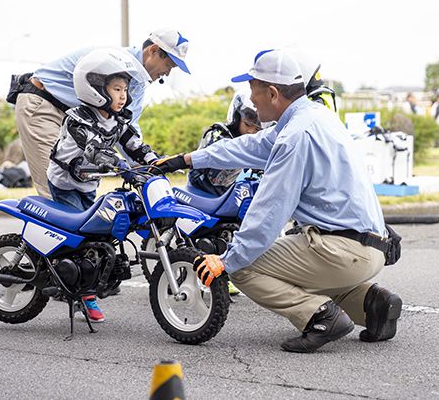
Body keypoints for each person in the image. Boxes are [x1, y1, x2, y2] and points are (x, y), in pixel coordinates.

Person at [152, 49, 402, 353]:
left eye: (253, 89)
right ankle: (372, 305)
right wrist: (185, 160)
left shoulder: (294, 138)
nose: (251, 99)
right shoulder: (313, 116)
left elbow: (268, 213)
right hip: (370, 247)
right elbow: (249, 147)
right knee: (290, 265)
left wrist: (226, 260)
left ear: (272, 93)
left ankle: (319, 318)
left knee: (246, 266)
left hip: (341, 251)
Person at [47, 48, 160, 322]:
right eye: (117, 88)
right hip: (65, 184)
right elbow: (94, 149)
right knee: (82, 239)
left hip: (89, 184)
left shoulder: (117, 121)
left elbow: (135, 146)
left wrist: (158, 162)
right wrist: (122, 166)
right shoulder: (78, 118)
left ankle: (95, 279)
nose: (123, 95)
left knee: (100, 235)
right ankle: (80, 293)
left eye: (125, 89)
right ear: (96, 87)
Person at [9, 28, 190, 199]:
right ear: (153, 50)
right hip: (45, 104)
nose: (167, 73)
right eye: (169, 65)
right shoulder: (112, 61)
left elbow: (125, 129)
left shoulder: (136, 80)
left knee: (82, 188)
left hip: (74, 117)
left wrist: (148, 163)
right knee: (59, 188)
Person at [188, 91, 262, 196]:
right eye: (247, 124)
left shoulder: (250, 144)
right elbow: (228, 153)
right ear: (236, 118)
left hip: (223, 193)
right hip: (200, 189)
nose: (251, 131)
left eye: (257, 129)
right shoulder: (218, 135)